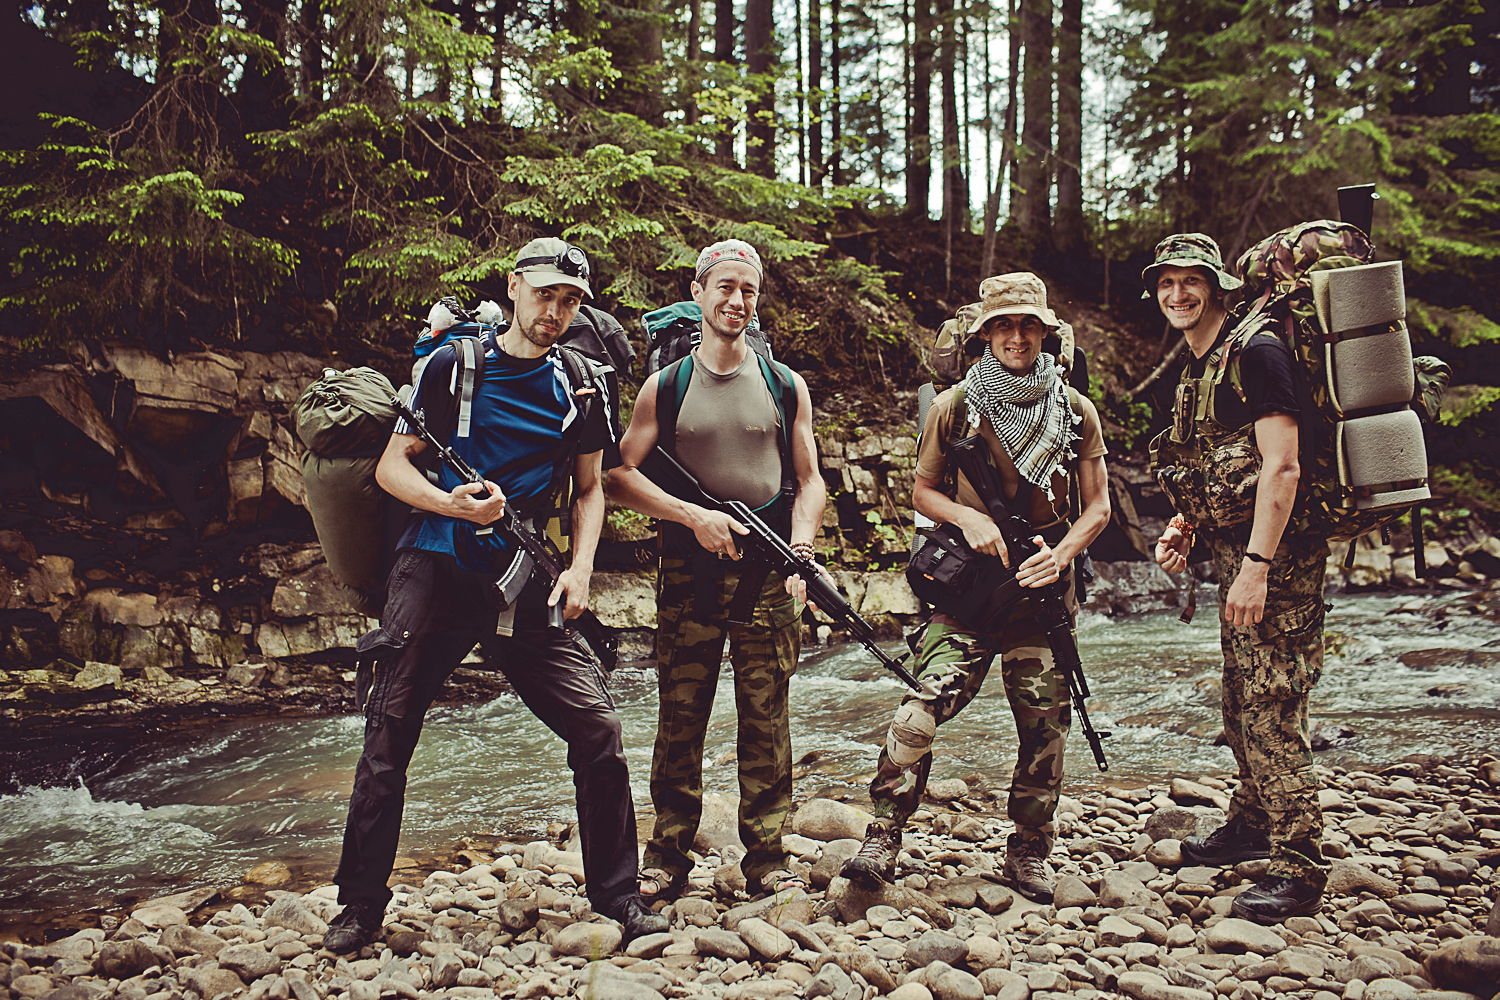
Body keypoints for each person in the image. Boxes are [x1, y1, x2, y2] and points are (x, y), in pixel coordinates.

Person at [324, 238, 667, 952]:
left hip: (524, 576)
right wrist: (451, 505)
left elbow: (591, 489)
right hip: (433, 566)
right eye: (544, 294)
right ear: (514, 287)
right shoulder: (453, 366)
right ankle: (358, 907)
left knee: (599, 732)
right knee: (388, 736)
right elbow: (392, 468)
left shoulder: (583, 383)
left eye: (569, 301)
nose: (555, 311)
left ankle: (618, 896)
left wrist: (581, 569)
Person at [842, 272, 1110, 903]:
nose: (1017, 337)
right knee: (920, 707)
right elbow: (922, 492)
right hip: (968, 590)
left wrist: (1060, 557)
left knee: (1045, 727)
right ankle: (882, 835)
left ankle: (1028, 851)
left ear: (1046, 333)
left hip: (1041, 591)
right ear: (985, 334)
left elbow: (1098, 507)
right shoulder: (955, 406)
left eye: (1028, 325)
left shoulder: (1075, 410)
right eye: (1003, 326)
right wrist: (970, 518)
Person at [605, 239, 826, 902]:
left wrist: (802, 548)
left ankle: (766, 858)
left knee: (767, 716)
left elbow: (810, 479)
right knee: (681, 716)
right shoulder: (665, 387)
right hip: (688, 574)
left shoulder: (785, 386)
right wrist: (691, 515)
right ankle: (667, 855)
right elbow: (616, 475)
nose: (736, 300)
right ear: (698, 293)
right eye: (724, 287)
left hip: (768, 571)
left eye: (748, 290)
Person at [1146, 232, 1330, 923]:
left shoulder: (1258, 351)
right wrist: (1187, 525)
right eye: (1167, 283)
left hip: (1277, 558)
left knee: (1271, 702)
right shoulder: (1200, 363)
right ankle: (1252, 822)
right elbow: (1221, 466)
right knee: (1237, 694)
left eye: (1191, 281)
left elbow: (1282, 467)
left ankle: (1300, 865)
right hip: (1237, 550)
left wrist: (1256, 569)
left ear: (1218, 286)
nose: (1178, 294)